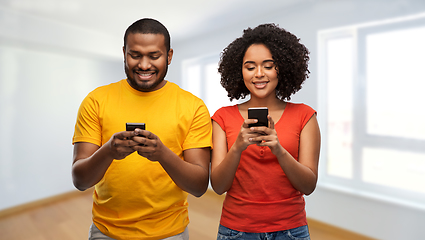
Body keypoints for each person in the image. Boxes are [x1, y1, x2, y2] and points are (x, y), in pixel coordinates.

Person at [72, 18, 212, 240]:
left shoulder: (193, 107)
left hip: (170, 232)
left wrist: (162, 154)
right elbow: (80, 181)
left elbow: (198, 186)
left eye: (154, 56)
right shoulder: (96, 100)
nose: (144, 65)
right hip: (106, 231)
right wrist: (108, 151)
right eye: (135, 55)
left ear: (169, 55)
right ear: (124, 53)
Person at [210, 23, 321, 240]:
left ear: (283, 68)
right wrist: (238, 148)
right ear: (239, 71)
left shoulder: (305, 116)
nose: (259, 74)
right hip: (236, 231)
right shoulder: (222, 117)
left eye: (268, 66)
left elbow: (308, 185)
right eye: (250, 67)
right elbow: (218, 186)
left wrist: (279, 150)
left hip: (291, 231)